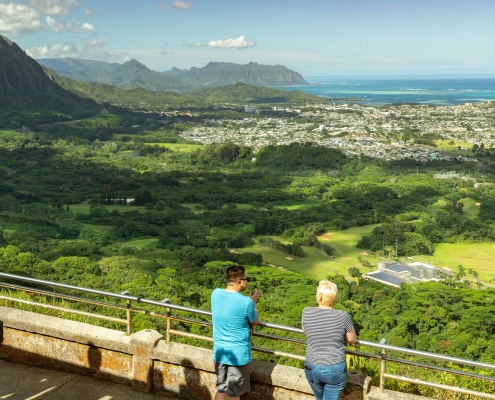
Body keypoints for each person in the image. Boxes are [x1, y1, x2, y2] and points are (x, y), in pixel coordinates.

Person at [211, 265, 260, 400]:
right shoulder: (246, 302)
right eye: (246, 279)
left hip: (220, 352)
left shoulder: (215, 293)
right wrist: (253, 303)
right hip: (238, 355)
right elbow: (255, 321)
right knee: (233, 394)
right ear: (239, 281)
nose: (247, 282)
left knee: (221, 388)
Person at [302, 280, 356, 400]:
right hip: (335, 368)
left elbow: (305, 331)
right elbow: (352, 339)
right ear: (334, 298)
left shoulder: (307, 312)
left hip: (312, 366)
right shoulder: (343, 316)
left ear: (319, 297)